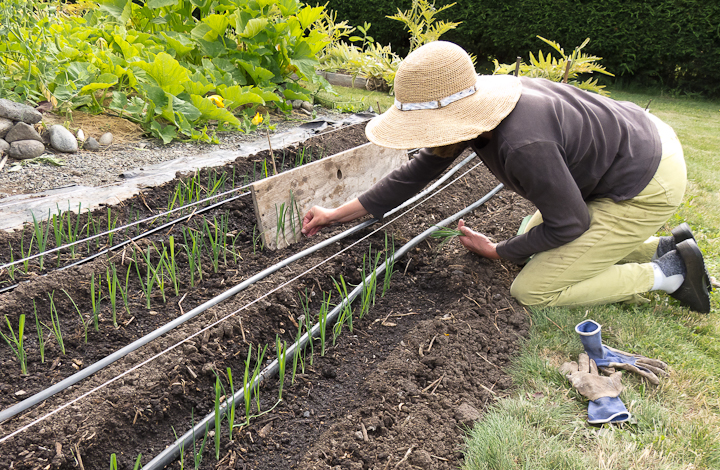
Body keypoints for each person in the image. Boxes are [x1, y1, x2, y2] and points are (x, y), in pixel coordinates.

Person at [301, 41, 712, 313]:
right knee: (535, 244)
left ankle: (670, 273)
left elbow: (571, 222)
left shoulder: (521, 145)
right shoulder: (481, 106)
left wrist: (499, 250)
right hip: (632, 147)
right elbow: (416, 173)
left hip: (646, 181)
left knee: (533, 288)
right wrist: (336, 214)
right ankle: (659, 246)